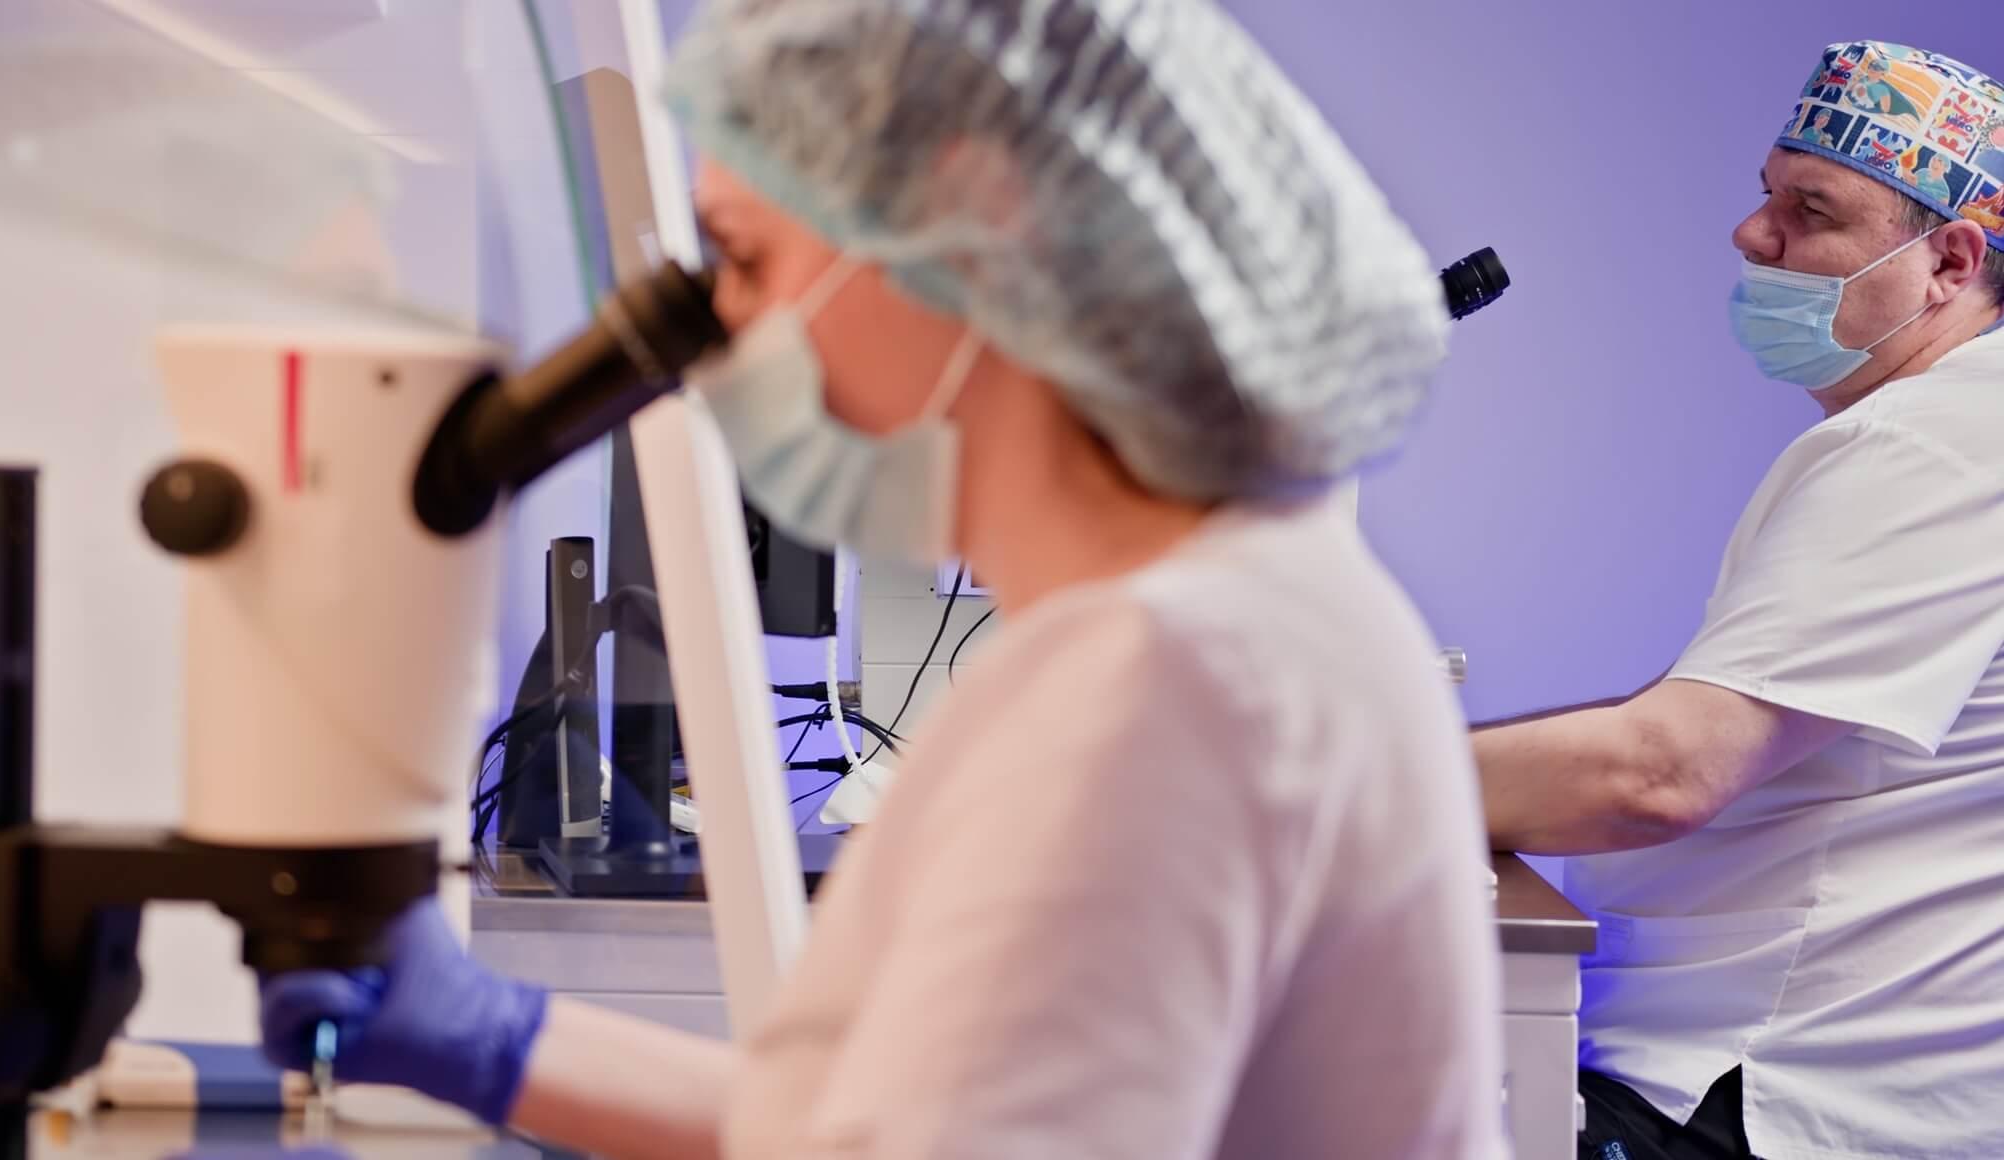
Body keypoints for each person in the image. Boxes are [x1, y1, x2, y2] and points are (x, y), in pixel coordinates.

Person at [259, 1, 1510, 1156]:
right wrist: (492, 1039)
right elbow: (883, 1117)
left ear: (966, 228)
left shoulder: (1174, 679)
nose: (719, 343)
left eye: (744, 259)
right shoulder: (1200, 619)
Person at [1471, 40, 2004, 1160]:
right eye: (1764, 194)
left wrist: (1302, 783)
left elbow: (1660, 769)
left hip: (1752, 1090)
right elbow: (1689, 719)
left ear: (1948, 263)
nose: (1752, 234)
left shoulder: (1938, 443)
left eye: (1809, 209)